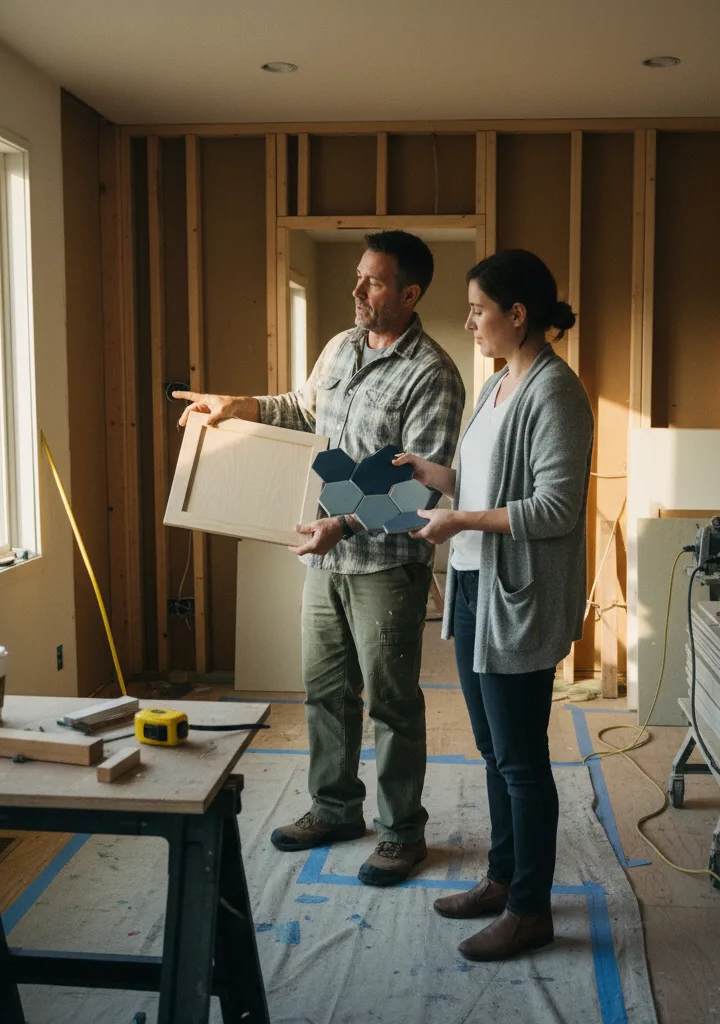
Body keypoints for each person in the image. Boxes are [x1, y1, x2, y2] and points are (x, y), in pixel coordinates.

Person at [174, 231, 465, 886]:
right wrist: (236, 405)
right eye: (359, 277)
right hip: (324, 560)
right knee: (327, 693)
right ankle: (335, 809)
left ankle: (400, 832)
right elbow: (303, 410)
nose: (358, 290)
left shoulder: (434, 375)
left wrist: (345, 522)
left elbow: (420, 486)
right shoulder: (339, 347)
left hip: (384, 564)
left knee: (390, 702)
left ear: (411, 293)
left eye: (376, 281)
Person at [393, 249, 593, 960]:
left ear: (518, 314)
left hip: (519, 599)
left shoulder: (554, 393)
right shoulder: (497, 385)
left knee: (520, 760)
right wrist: (432, 476)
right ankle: (503, 881)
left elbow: (555, 509)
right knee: (492, 750)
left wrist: (459, 523)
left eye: (480, 309)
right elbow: (480, 486)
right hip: (478, 586)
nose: (470, 320)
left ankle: (531, 908)